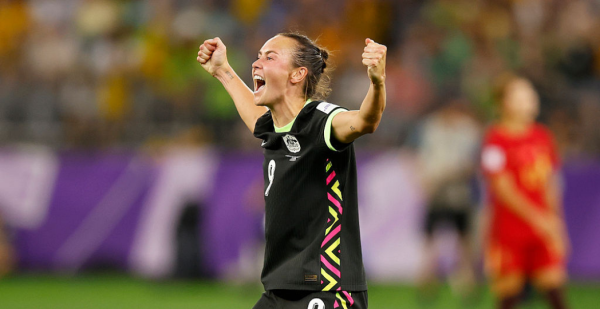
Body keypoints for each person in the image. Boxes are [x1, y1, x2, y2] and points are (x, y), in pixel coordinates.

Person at [197, 33, 386, 309]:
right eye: (259, 55)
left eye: (269, 56)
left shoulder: (320, 120)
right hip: (279, 290)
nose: (256, 63)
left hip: (326, 288)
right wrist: (222, 70)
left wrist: (378, 82)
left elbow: (364, 121)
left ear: (297, 74)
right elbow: (257, 121)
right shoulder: (273, 127)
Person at [480, 74, 570, 309]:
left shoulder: (543, 136)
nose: (531, 99)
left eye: (531, 94)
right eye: (522, 94)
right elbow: (502, 188)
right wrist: (539, 219)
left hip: (542, 227)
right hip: (510, 230)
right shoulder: (495, 140)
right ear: (505, 103)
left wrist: (556, 223)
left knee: (555, 289)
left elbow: (551, 183)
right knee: (509, 295)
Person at [416, 99, 480, 301]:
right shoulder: (430, 127)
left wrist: (448, 174)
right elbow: (419, 157)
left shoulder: (468, 130)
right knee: (431, 242)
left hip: (458, 193)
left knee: (464, 242)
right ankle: (427, 286)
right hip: (437, 193)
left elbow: (472, 164)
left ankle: (466, 288)